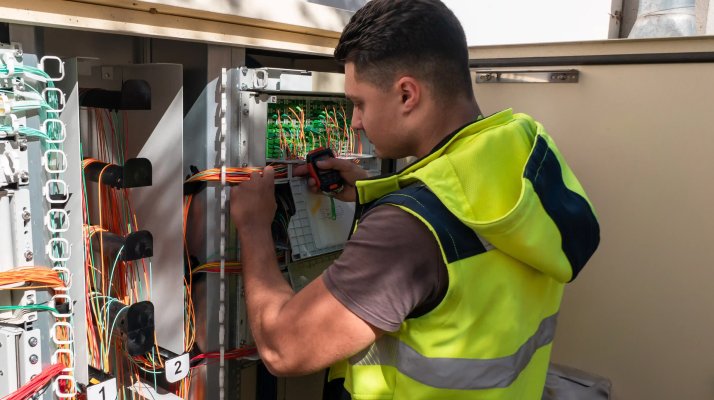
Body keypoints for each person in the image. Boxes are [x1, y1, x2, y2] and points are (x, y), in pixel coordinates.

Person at [228, 0, 601, 399]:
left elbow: (283, 349)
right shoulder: (521, 162)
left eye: (360, 103)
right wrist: (374, 191)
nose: (355, 122)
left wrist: (253, 227)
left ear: (407, 94)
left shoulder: (407, 231)